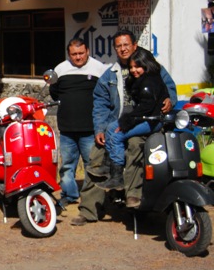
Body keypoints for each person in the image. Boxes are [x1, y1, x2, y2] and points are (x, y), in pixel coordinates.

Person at [71, 30, 176, 226]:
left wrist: (170, 100)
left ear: (134, 45)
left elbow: (168, 88)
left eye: (126, 44)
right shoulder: (109, 74)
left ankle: (134, 200)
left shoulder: (153, 66)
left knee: (136, 147)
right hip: (116, 125)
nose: (123, 49)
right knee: (96, 157)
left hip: (143, 125)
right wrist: (100, 129)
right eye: (118, 46)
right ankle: (89, 210)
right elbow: (100, 104)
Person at [98, 47, 169, 190]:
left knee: (116, 135)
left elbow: (146, 108)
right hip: (146, 118)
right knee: (111, 128)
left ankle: (117, 176)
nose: (133, 70)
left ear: (146, 65)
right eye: (131, 67)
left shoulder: (149, 83)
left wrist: (127, 122)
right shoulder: (145, 79)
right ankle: (110, 167)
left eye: (138, 67)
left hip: (151, 120)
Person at [49, 38, 109, 207]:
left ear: (87, 51)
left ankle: (92, 199)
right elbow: (54, 93)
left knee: (92, 165)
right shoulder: (60, 69)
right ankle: (69, 195)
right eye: (74, 54)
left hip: (91, 129)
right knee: (67, 165)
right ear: (69, 54)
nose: (78, 57)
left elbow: (107, 95)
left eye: (81, 53)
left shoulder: (99, 69)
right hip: (67, 128)